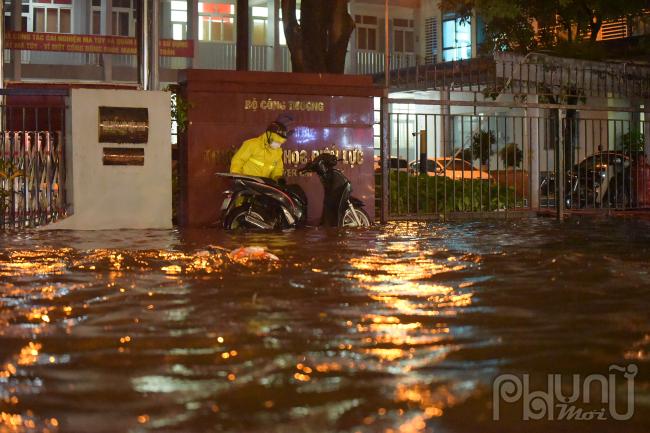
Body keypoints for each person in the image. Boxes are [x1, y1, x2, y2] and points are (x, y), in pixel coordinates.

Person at [230, 115, 293, 182]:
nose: (278, 145)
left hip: (262, 186)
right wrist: (236, 176)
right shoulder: (252, 144)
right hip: (247, 184)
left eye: (280, 143)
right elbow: (238, 160)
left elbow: (278, 169)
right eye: (276, 141)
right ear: (268, 135)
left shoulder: (277, 152)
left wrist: (278, 178)